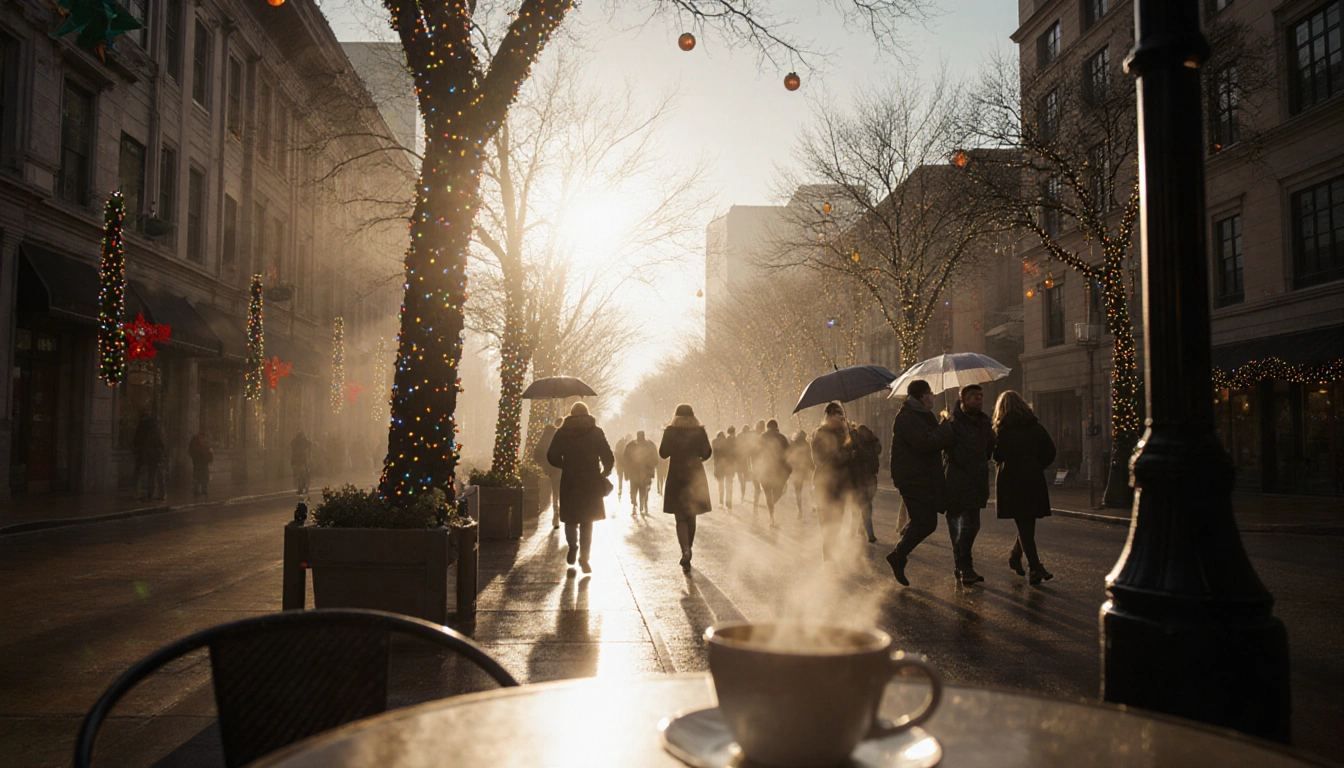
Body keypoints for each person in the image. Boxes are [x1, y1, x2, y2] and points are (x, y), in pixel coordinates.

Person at [885, 379, 953, 586]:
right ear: (922, 396)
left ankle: (900, 551)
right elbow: (927, 442)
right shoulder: (907, 417)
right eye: (930, 393)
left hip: (924, 477)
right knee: (926, 522)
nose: (933, 397)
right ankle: (898, 555)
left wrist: (943, 424)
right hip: (912, 478)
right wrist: (946, 425)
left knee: (925, 522)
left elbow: (934, 438)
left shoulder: (922, 415)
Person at [992, 390, 1057, 585]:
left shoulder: (1002, 431)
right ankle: (1029, 564)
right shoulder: (1035, 427)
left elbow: (997, 456)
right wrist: (1037, 465)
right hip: (1033, 479)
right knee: (1027, 523)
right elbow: (1050, 451)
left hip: (1011, 481)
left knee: (1024, 523)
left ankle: (1031, 565)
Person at [546, 402, 615, 574]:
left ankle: (572, 546)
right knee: (587, 521)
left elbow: (551, 455)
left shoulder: (562, 432)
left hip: (570, 480)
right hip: (590, 480)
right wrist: (605, 472)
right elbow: (608, 456)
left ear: (571, 413)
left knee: (570, 519)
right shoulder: (596, 432)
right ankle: (585, 557)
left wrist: (563, 464)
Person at [944, 384, 996, 585]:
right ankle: (965, 567)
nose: (979, 399)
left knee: (972, 525)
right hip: (957, 480)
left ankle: (962, 566)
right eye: (974, 396)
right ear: (962, 399)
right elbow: (948, 449)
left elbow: (989, 446)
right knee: (958, 527)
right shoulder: (953, 421)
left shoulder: (984, 421)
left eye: (981, 396)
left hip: (977, 480)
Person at [659, 404, 713, 572]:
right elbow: (707, 452)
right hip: (695, 475)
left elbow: (663, 453)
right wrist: (697, 458)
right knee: (691, 515)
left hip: (676, 476)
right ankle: (689, 546)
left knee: (680, 518)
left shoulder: (670, 431)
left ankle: (685, 550)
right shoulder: (699, 431)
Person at [811, 402, 856, 562]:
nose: (841, 419)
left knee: (837, 521)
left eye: (842, 416)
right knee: (826, 522)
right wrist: (845, 453)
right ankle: (828, 559)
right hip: (824, 485)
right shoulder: (819, 434)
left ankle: (829, 553)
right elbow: (820, 461)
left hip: (841, 486)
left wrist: (853, 444)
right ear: (829, 416)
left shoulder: (846, 434)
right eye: (838, 416)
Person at [755, 419, 792, 526]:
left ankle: (771, 515)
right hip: (779, 470)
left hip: (765, 469)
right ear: (776, 427)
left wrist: (756, 469)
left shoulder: (761, 437)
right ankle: (772, 506)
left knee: (768, 493)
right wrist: (789, 470)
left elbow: (756, 454)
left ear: (767, 427)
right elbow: (789, 454)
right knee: (778, 491)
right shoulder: (782, 438)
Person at [852, 424, 882, 543]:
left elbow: (870, 455)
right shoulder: (861, 445)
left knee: (864, 506)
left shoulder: (871, 446)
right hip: (861, 481)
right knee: (865, 506)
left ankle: (861, 529)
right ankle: (869, 533)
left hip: (867, 480)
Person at [532, 417, 564, 529]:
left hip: (549, 470)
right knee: (560, 492)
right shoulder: (562, 437)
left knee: (553, 492)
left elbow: (536, 454)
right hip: (561, 469)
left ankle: (555, 512)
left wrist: (543, 465)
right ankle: (560, 512)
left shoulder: (546, 436)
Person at [133, 411, 166, 501]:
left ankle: (138, 494)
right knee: (155, 475)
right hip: (156, 455)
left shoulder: (141, 427)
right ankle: (153, 495)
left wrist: (136, 450)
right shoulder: (156, 427)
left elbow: (136, 441)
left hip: (143, 454)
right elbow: (161, 441)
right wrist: (163, 452)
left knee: (139, 474)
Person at [622, 431, 658, 515]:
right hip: (646, 473)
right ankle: (642, 502)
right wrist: (651, 469)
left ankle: (634, 504)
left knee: (633, 489)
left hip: (634, 473)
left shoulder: (631, 445)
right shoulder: (650, 445)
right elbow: (655, 459)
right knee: (644, 489)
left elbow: (625, 460)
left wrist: (626, 472)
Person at [786, 430, 813, 520]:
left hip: (797, 470)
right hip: (806, 470)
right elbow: (810, 458)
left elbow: (790, 457)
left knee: (798, 491)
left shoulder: (794, 445)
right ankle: (813, 504)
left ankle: (799, 510)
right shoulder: (808, 445)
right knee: (810, 487)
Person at [737, 423, 758, 506]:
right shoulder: (747, 437)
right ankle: (744, 494)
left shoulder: (739, 436)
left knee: (743, 480)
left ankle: (743, 494)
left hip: (741, 461)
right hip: (745, 461)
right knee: (745, 479)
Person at [187, 431, 214, 498]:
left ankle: (202, 489)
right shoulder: (196, 444)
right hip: (199, 462)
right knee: (198, 476)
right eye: (201, 438)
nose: (202, 439)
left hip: (202, 462)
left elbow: (209, 452)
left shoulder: (202, 444)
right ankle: (197, 490)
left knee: (204, 476)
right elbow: (194, 452)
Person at [720, 426, 739, 509]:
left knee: (728, 484)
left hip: (729, 465)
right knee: (729, 484)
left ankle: (728, 501)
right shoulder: (734, 441)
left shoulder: (726, 441)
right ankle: (728, 501)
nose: (733, 434)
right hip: (729, 465)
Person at [711, 430, 730, 506]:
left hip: (718, 466)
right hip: (726, 466)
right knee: (727, 484)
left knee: (720, 484)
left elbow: (714, 455)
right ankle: (727, 501)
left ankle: (721, 501)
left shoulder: (714, 442)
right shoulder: (727, 442)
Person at [291, 431, 313, 495]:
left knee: (300, 475)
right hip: (301, 461)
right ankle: (302, 487)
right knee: (302, 475)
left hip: (299, 461)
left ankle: (301, 488)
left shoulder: (294, 442)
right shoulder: (303, 442)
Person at [614, 434, 630, 501]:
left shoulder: (619, 444)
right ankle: (629, 489)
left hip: (619, 465)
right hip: (623, 464)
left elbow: (615, 453)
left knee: (620, 478)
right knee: (627, 477)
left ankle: (620, 489)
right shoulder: (625, 445)